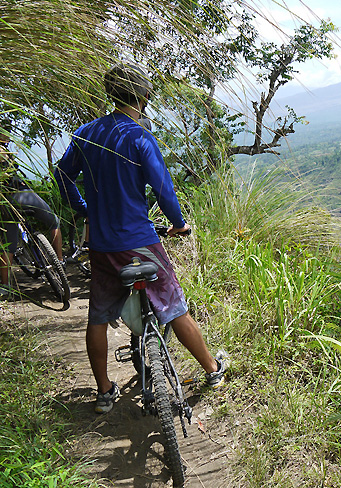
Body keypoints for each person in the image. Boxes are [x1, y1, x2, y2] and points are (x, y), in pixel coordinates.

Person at [54, 63, 226, 414]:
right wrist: (178, 223)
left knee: (98, 317)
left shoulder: (85, 134)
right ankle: (212, 369)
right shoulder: (139, 136)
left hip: (101, 246)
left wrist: (85, 209)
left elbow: (62, 173)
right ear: (145, 96)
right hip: (139, 242)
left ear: (109, 94)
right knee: (174, 305)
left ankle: (103, 391)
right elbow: (163, 188)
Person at [0, 120, 64, 295]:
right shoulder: (4, 150)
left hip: (6, 202)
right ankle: (59, 261)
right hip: (23, 194)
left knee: (8, 244)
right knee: (54, 221)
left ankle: (5, 286)